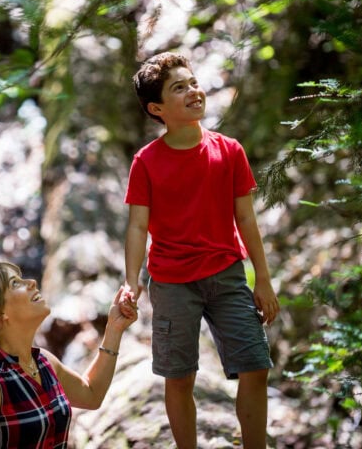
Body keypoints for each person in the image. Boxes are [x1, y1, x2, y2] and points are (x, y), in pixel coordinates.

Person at [119, 52, 280, 449]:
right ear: (157, 108)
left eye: (192, 82)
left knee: (256, 366)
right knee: (179, 377)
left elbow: (246, 220)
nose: (193, 91)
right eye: (179, 87)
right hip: (173, 283)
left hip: (226, 274)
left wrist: (264, 280)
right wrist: (131, 282)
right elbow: (138, 225)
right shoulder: (146, 161)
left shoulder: (229, 151)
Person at [0, 262, 136, 448]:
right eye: (15, 284)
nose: (32, 282)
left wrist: (114, 328)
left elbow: (91, 394)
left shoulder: (44, 362)